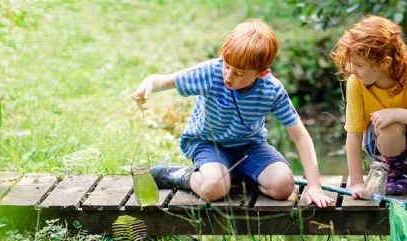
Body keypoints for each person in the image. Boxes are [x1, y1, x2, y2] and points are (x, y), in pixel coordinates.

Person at [131, 19, 334, 208]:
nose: (228, 76)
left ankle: (236, 173)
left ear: (261, 73)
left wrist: (314, 186)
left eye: (239, 73)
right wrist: (147, 84)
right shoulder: (211, 72)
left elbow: (300, 136)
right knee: (214, 188)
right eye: (227, 66)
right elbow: (163, 80)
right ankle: (181, 174)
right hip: (209, 143)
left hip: (249, 146)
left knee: (283, 187)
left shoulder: (271, 90)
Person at [331, 15, 407, 198]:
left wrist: (396, 113)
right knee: (391, 126)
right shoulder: (356, 83)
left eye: (358, 64)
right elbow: (354, 135)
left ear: (384, 63)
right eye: (350, 63)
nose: (351, 69)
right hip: (381, 141)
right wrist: (356, 183)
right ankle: (394, 172)